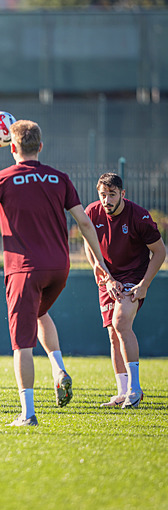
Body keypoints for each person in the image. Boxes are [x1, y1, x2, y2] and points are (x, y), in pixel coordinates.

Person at [0, 119, 110, 426]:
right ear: (40, 147)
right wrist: (99, 262)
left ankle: (28, 413)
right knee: (40, 316)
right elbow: (84, 222)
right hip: (59, 268)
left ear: (11, 146)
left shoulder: (1, 179)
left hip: (24, 270)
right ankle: (58, 368)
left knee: (21, 344)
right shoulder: (60, 179)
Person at [83, 172, 165, 409]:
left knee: (120, 323)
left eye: (112, 195)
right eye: (102, 195)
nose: (106, 200)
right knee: (112, 333)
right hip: (109, 279)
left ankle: (136, 389)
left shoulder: (139, 216)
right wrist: (104, 276)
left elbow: (160, 252)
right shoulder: (92, 212)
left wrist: (144, 285)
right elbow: (90, 247)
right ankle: (122, 392)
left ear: (122, 194)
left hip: (133, 277)